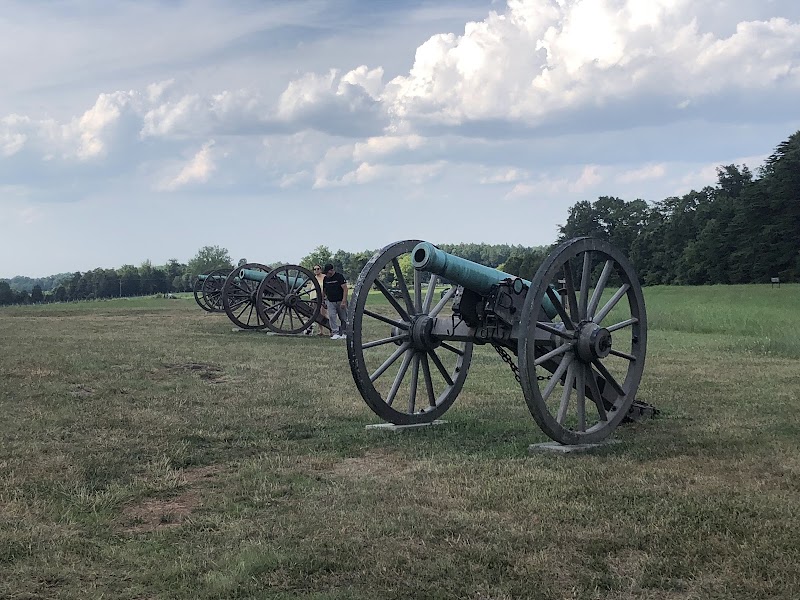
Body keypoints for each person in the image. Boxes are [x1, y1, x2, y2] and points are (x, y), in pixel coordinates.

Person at [322, 263, 348, 339]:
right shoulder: (325, 279)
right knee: (331, 317)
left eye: (327, 272)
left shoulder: (339, 276)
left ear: (332, 270)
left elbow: (345, 289)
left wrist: (344, 301)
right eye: (325, 273)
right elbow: (324, 290)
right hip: (330, 301)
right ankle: (335, 333)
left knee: (343, 317)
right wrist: (323, 300)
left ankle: (344, 333)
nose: (327, 274)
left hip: (340, 300)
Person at [312, 265, 329, 336]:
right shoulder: (313, 278)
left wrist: (325, 297)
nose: (316, 270)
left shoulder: (325, 277)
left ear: (321, 270)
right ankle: (321, 331)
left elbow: (327, 287)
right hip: (314, 297)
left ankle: (331, 329)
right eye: (315, 269)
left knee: (324, 314)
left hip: (322, 297)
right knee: (318, 315)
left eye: (318, 269)